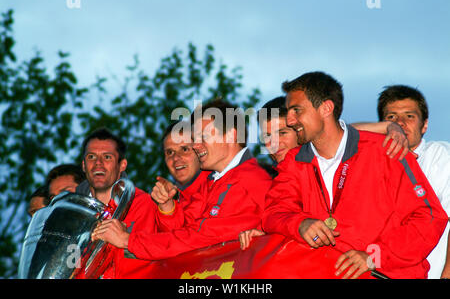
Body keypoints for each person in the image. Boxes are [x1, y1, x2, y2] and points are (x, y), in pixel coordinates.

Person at [261, 71, 447, 279]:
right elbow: (274, 211)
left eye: (297, 110)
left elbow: (430, 218)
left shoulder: (387, 150)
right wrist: (299, 223)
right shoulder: (294, 162)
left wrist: (374, 256)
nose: (291, 120)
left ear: (326, 108)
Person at [93, 99, 273, 261]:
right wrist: (168, 207)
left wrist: (127, 240)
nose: (196, 146)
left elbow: (199, 238)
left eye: (203, 137)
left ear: (231, 136)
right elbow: (182, 232)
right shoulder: (214, 181)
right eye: (195, 139)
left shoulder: (253, 181)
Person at [377, 85, 450, 279]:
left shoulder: (440, 156)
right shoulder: (373, 164)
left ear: (424, 125)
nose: (400, 123)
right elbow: (339, 135)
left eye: (409, 116)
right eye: (391, 117)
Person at [81, 127, 157, 278]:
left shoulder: (143, 204)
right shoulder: (75, 212)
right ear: (83, 165)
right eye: (91, 157)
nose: (98, 163)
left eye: (107, 157)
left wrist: (122, 239)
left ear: (122, 165)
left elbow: (151, 261)